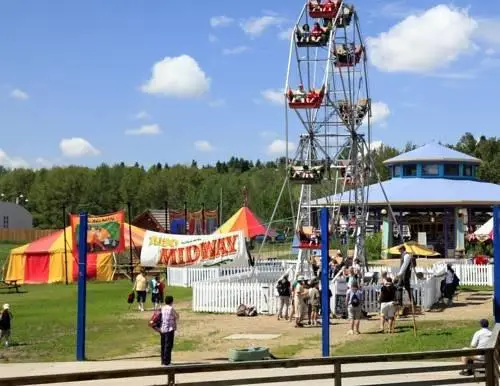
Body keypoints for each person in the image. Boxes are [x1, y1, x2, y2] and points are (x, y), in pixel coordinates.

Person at [160, 295, 179, 366]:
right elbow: (177, 316)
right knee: (168, 345)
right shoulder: (171, 308)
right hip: (169, 328)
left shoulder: (162, 307)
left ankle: (163, 361)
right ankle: (167, 362)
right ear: (171, 301)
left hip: (162, 328)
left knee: (163, 345)